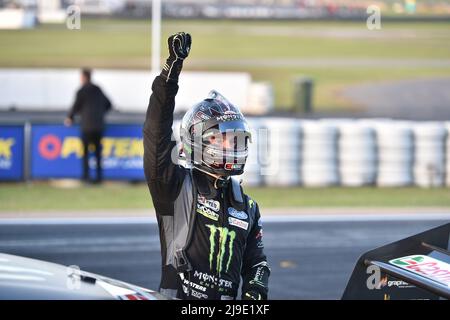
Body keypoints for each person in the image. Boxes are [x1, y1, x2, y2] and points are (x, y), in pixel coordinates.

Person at [143, 32, 270, 300]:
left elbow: (257, 264)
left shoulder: (247, 207)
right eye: (220, 138)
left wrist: (255, 292)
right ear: (195, 139)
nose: (231, 146)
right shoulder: (174, 188)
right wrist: (170, 74)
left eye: (234, 139)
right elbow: (156, 134)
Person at [65, 68, 112, 183]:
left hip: (86, 126)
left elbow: (75, 107)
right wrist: (99, 113)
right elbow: (109, 104)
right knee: (97, 154)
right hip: (98, 126)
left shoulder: (81, 91)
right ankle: (99, 178)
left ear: (83, 77)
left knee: (86, 153)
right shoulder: (98, 89)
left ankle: (86, 177)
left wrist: (69, 118)